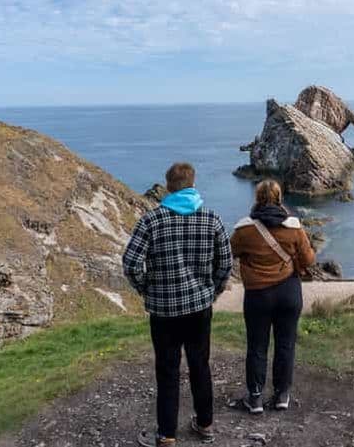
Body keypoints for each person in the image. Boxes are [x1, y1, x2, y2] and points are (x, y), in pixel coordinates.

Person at [123, 162, 233, 447]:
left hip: (164, 312)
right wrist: (213, 290)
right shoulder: (212, 219)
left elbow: (131, 263)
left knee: (167, 371)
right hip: (199, 307)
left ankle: (167, 435)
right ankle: (205, 424)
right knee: (200, 366)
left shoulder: (152, 220)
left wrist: (147, 290)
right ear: (193, 184)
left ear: (168, 186)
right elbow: (226, 264)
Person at [230, 179, 315, 414]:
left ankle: (255, 398)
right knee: (285, 344)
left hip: (258, 294)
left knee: (257, 346)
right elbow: (308, 260)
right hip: (288, 291)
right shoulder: (294, 228)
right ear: (280, 198)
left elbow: (230, 252)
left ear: (257, 198)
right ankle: (281, 395)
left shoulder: (244, 230)